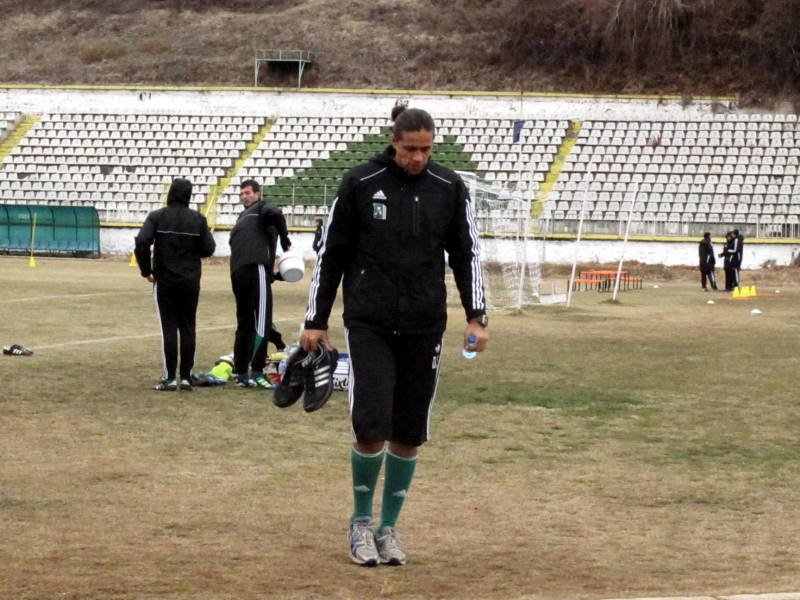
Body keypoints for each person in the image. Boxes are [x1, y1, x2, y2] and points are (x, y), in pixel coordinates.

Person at [300, 105, 488, 567]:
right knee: (371, 425)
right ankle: (360, 522)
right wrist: (315, 318)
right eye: (410, 150)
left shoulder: (449, 186)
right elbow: (332, 255)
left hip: (426, 324)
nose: (419, 159)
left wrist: (477, 316)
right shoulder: (360, 183)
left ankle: (389, 529)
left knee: (409, 431)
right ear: (394, 141)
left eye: (427, 150)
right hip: (370, 322)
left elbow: (467, 253)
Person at [134, 178, 216, 391]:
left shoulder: (157, 216)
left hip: (165, 279)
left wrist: (146, 271)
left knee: (168, 327)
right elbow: (209, 248)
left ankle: (170, 377)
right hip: (190, 280)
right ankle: (186, 376)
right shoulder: (198, 219)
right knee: (188, 327)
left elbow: (142, 242)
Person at [229, 178, 291, 388]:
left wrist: (271, 274)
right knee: (261, 322)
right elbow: (276, 214)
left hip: (238, 271)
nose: (245, 197)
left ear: (257, 193)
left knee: (244, 323)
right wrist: (284, 238)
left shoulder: (243, 217)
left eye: (248, 193)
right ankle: (256, 372)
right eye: (243, 193)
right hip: (255, 267)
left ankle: (240, 373)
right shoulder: (262, 208)